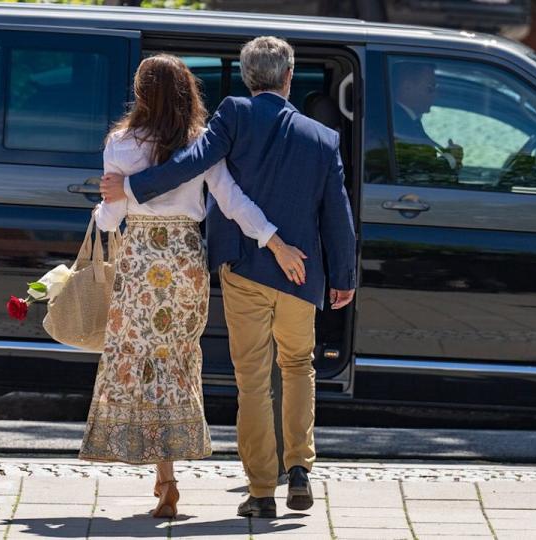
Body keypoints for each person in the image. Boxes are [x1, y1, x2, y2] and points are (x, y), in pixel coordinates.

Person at [101, 36, 357, 519]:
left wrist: (132, 188)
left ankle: (261, 491)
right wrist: (343, 275)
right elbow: (337, 214)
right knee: (299, 367)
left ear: (246, 76)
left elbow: (192, 163)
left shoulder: (233, 115)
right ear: (288, 77)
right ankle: (300, 467)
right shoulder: (324, 139)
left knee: (254, 381)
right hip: (301, 271)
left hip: (244, 268)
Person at [390, 60, 464, 177]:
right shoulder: (399, 126)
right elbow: (422, 174)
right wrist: (451, 158)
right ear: (407, 87)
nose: (436, 95)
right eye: (431, 88)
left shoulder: (405, 121)